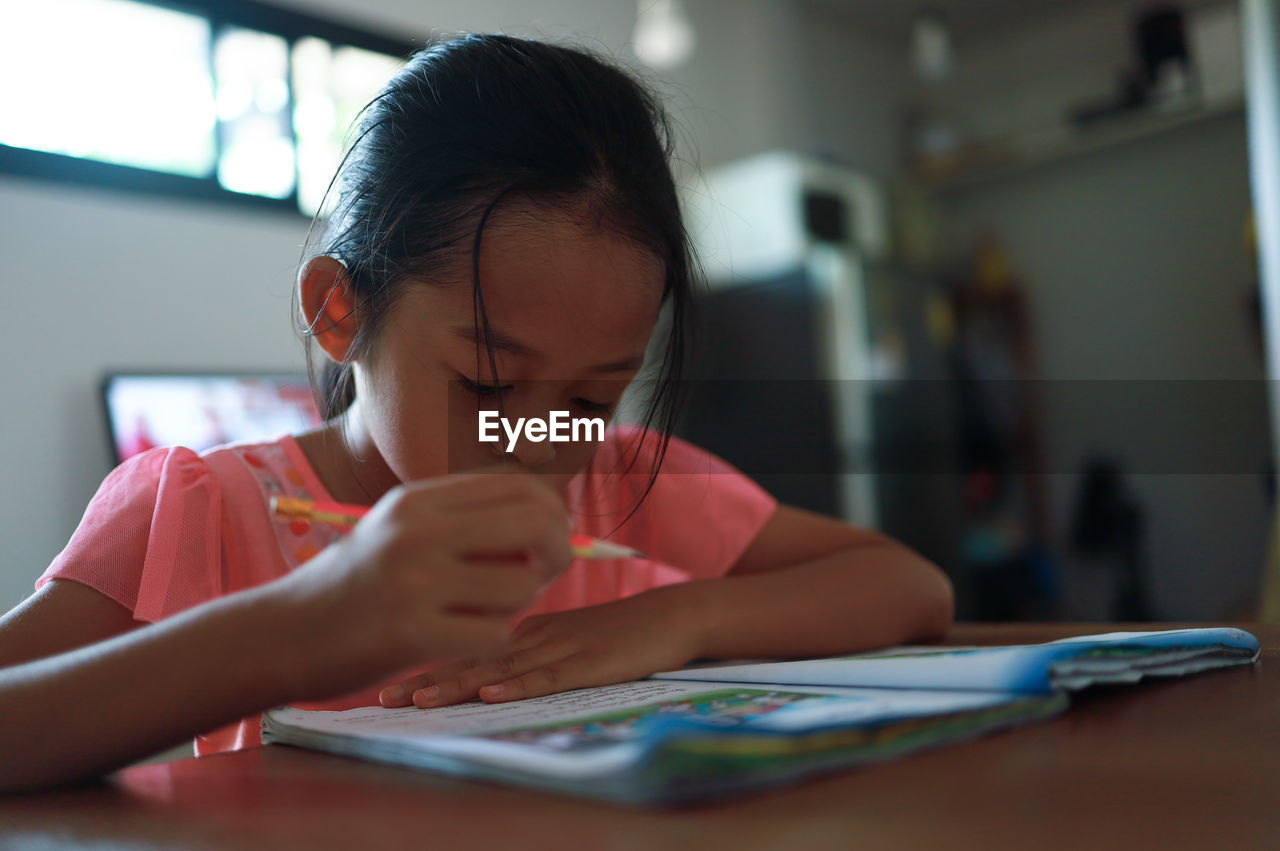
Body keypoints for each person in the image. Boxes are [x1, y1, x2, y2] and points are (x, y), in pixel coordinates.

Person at [0, 34, 952, 792]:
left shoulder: (620, 484)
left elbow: (908, 585)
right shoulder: (199, 511)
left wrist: (685, 617)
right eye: (489, 386)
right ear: (342, 310)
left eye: (589, 396)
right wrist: (297, 627)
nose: (537, 442)